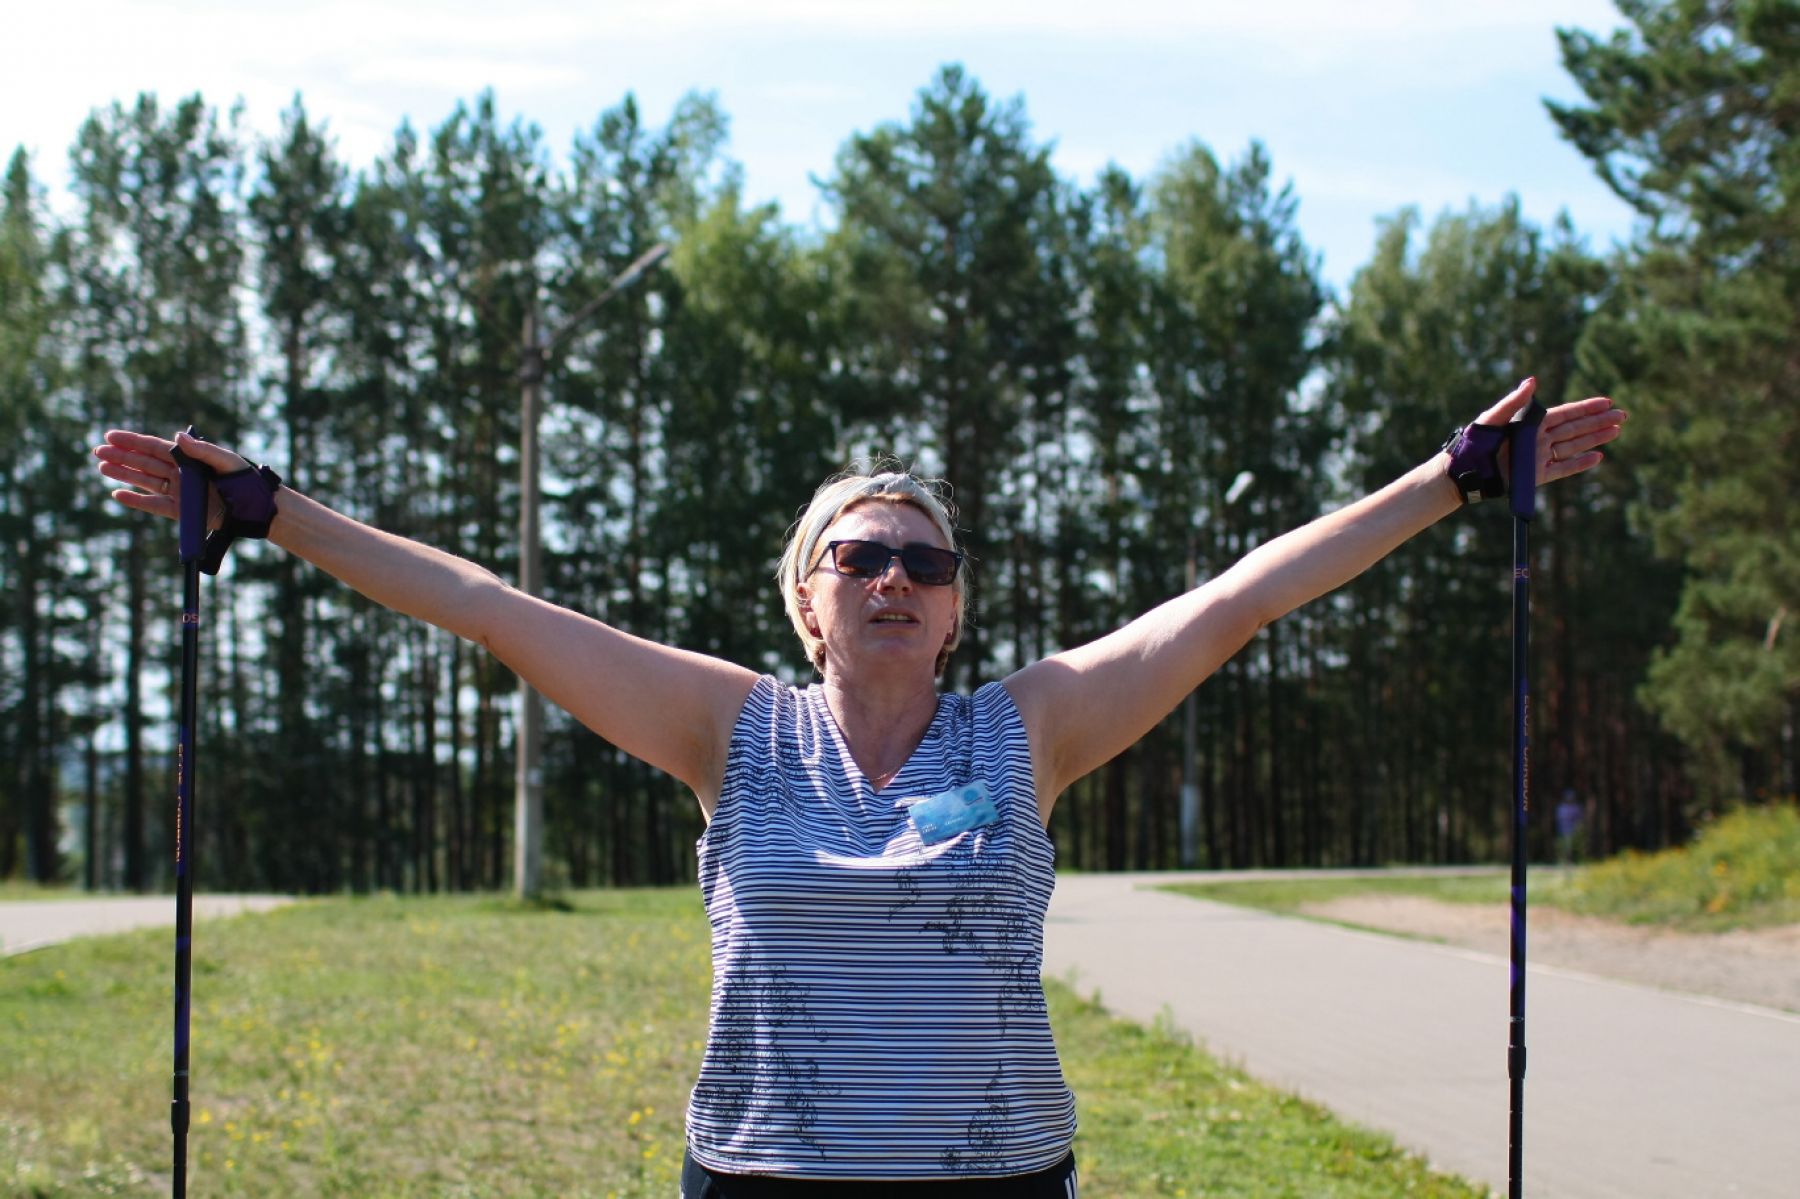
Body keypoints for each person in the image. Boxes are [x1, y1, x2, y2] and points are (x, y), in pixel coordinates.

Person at [93, 377, 1624, 1196]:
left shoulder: (1028, 731)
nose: (895, 575)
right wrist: (276, 513)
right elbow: (494, 607)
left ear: (957, 607)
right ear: (807, 603)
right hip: (762, 1181)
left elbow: (1230, 604)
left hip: (1001, 1187)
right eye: (860, 556)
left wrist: (1450, 483)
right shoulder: (728, 730)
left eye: (926, 560)